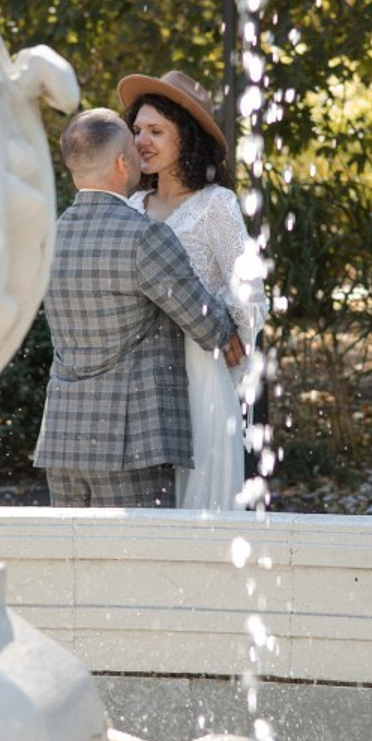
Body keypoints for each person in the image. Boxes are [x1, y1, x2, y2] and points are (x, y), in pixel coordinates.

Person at [33, 107, 244, 508]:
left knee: (74, 567)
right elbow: (203, 320)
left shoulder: (52, 234)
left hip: (62, 439)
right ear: (120, 162)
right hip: (128, 442)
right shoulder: (145, 236)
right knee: (138, 566)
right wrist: (227, 329)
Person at [118, 70, 268, 511]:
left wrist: (224, 332)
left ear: (187, 137)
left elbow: (250, 288)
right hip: (139, 375)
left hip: (198, 370)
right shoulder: (129, 208)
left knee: (200, 502)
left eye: (156, 131)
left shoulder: (215, 205)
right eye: (137, 130)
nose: (142, 140)